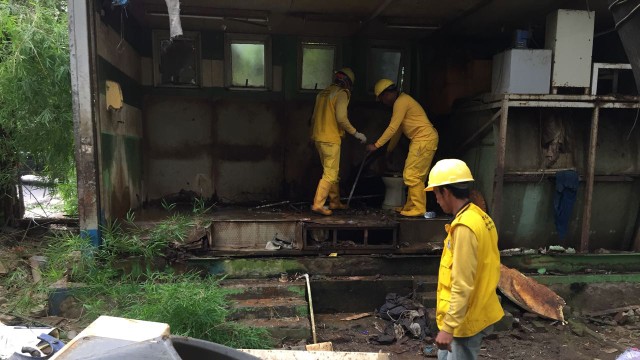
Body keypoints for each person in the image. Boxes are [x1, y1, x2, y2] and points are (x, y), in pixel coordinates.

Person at [424, 159, 504, 360]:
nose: (437, 200)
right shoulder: (479, 216)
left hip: (465, 320)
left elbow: (462, 283)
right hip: (473, 310)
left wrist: (449, 327)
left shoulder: (464, 228)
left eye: (436, 194)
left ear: (446, 192)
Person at [366, 79, 438, 217]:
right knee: (413, 175)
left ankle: (418, 208)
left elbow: (392, 128)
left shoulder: (401, 102)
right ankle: (411, 205)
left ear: (386, 94)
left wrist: (376, 145)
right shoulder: (403, 101)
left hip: (423, 139)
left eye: (382, 98)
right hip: (423, 139)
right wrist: (389, 151)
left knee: (412, 175)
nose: (383, 102)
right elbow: (398, 131)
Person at [310, 68, 367, 216]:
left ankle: (335, 202)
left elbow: (313, 117)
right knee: (330, 174)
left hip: (319, 138)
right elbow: (341, 118)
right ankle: (318, 204)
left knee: (331, 171)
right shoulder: (341, 93)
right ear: (348, 82)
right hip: (330, 139)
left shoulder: (322, 93)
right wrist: (356, 133)